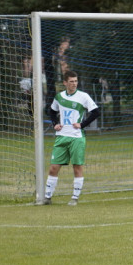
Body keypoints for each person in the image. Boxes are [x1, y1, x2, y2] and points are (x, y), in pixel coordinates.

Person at [43, 70, 100, 206]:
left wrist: (82, 124)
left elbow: (96, 112)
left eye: (76, 81)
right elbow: (52, 111)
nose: (74, 84)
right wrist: (55, 124)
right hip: (61, 137)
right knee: (53, 168)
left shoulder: (83, 96)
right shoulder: (59, 97)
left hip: (76, 138)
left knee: (77, 168)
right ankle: (47, 197)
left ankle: (74, 198)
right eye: (71, 81)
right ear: (65, 83)